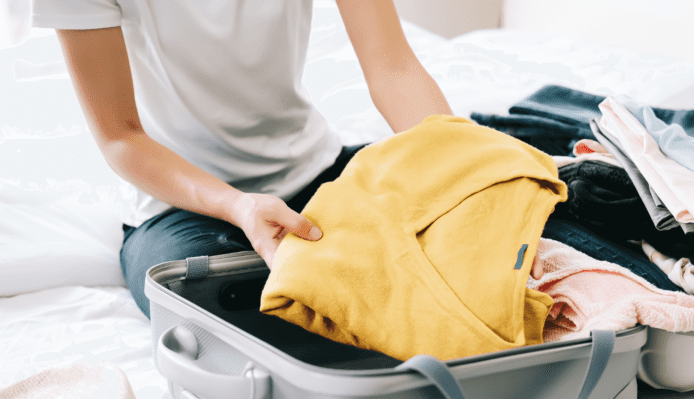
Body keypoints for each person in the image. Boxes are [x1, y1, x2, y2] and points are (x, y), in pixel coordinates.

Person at [31, 0, 543, 319]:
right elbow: (120, 137)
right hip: (185, 207)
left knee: (511, 227)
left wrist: (459, 169)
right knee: (209, 307)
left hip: (317, 170)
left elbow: (393, 68)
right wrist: (238, 206)